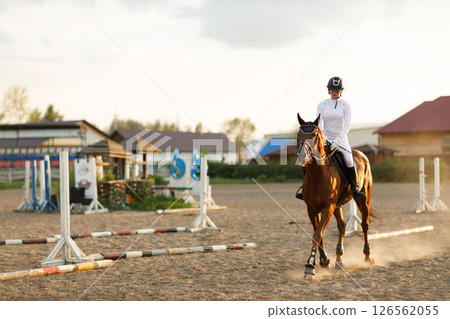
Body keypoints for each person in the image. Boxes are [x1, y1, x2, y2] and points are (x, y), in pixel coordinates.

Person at [296, 76, 365, 201]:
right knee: (307, 157)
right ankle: (305, 188)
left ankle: (355, 189)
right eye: (332, 90)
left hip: (341, 139)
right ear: (328, 90)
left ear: (341, 91)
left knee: (349, 160)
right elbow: (318, 123)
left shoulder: (346, 105)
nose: (334, 92)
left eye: (337, 90)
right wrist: (326, 138)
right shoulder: (322, 104)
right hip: (325, 138)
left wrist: (338, 139)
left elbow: (348, 124)